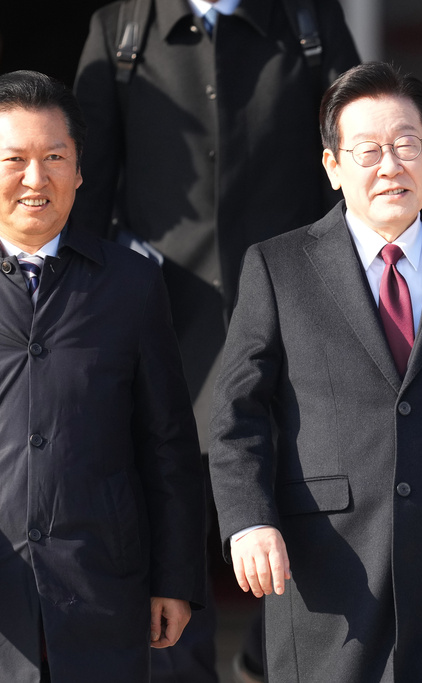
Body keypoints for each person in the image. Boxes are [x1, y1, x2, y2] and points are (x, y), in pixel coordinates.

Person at [208, 61, 422, 682]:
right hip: (326, 577)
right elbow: (236, 414)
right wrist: (248, 519)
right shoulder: (279, 268)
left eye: (407, 144)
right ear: (333, 167)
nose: (391, 165)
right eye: (366, 150)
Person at [72, 2, 360, 678]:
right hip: (159, 320)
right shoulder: (122, 26)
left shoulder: (307, 17)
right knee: (172, 520)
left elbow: (356, 142)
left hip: (295, 319)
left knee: (302, 507)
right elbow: (85, 187)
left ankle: (271, 664)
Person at [0, 70, 205, 682]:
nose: (36, 179)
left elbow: (167, 442)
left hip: (98, 591)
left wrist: (175, 579)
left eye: (54, 157)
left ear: (81, 170)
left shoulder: (130, 283)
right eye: (14, 159)